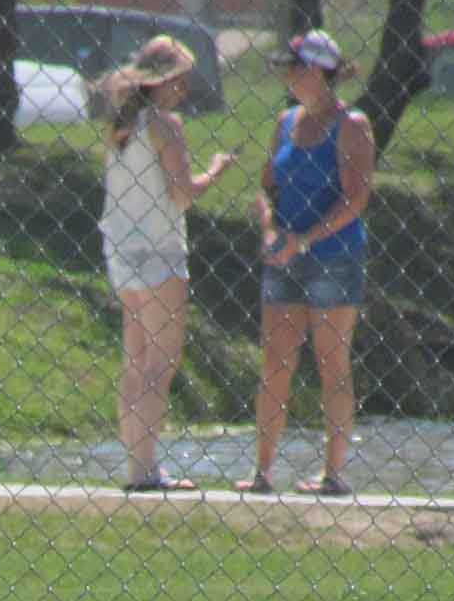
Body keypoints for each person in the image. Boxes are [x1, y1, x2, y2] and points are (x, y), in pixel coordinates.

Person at [95, 34, 236, 494]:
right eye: (184, 78)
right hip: (160, 250)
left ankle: (136, 466)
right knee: (163, 361)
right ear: (168, 79)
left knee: (135, 360)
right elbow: (181, 193)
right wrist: (214, 171)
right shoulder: (165, 125)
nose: (187, 88)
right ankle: (148, 469)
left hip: (121, 248)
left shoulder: (122, 123)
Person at [237, 29, 375, 497]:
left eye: (293, 69)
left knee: (331, 361)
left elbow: (357, 199)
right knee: (276, 360)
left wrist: (305, 239)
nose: (287, 77)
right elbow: (266, 186)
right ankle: (263, 471)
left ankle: (332, 473)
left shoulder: (351, 125)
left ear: (317, 72)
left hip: (334, 257)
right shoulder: (285, 121)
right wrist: (272, 229)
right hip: (285, 256)